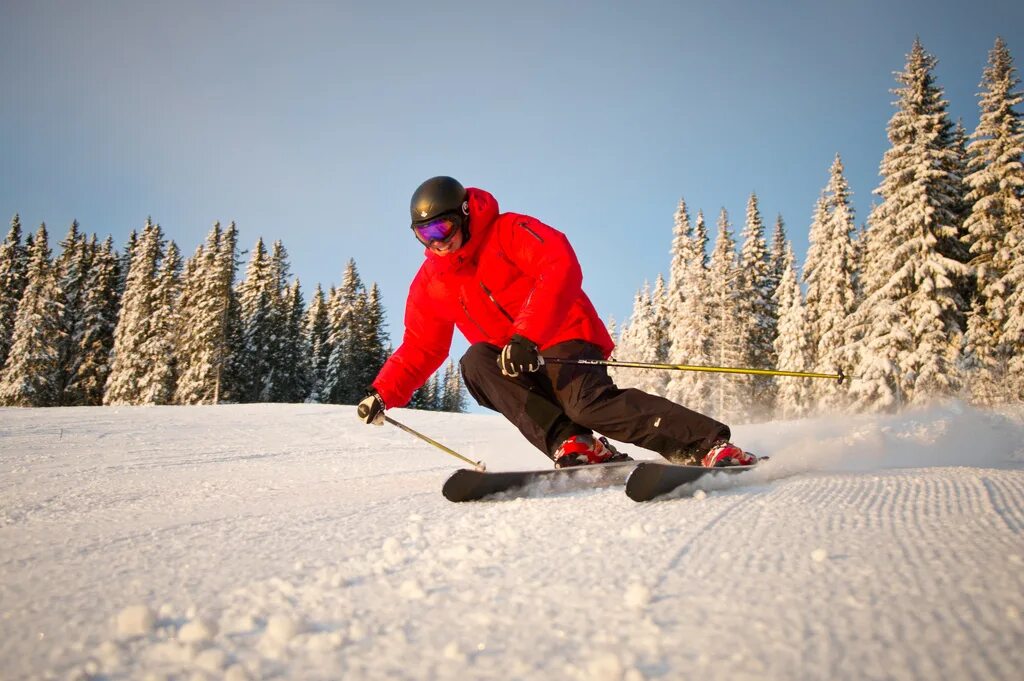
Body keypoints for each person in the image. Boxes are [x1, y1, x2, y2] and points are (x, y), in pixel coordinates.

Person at [356, 176, 756, 469]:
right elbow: (423, 346)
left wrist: (528, 334)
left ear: (463, 215)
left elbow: (559, 264)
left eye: (441, 228)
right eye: (424, 234)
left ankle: (706, 444)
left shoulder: (509, 230)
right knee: (474, 362)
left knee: (588, 405)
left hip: (563, 336)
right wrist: (383, 392)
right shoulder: (432, 282)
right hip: (513, 360)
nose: (436, 242)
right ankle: (575, 443)